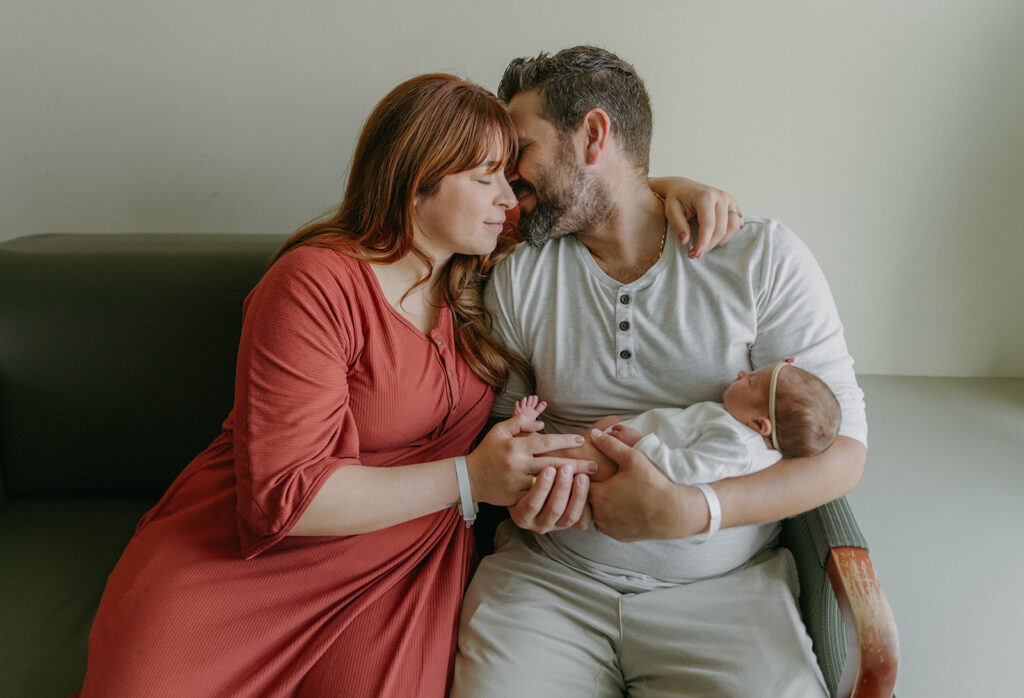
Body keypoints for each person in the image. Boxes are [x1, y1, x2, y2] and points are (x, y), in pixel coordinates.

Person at [74, 73, 737, 698]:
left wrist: (671, 189)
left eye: (508, 180)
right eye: (486, 181)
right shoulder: (315, 284)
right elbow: (284, 500)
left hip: (403, 567)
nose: (509, 200)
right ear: (418, 182)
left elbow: (592, 197)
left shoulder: (481, 274)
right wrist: (469, 481)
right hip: (254, 559)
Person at [451, 46, 868, 697]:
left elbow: (843, 454)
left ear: (593, 135)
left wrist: (690, 511)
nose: (506, 178)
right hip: (550, 584)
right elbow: (501, 432)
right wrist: (519, 486)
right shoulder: (519, 277)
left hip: (726, 596)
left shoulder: (760, 259)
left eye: (522, 150)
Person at [513, 358, 841, 488]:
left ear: (760, 424)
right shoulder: (741, 427)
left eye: (752, 381)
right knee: (588, 441)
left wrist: (641, 444)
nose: (742, 373)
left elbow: (686, 469)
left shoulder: (737, 446)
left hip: (634, 461)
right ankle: (527, 452)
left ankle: (520, 455)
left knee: (577, 455)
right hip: (629, 438)